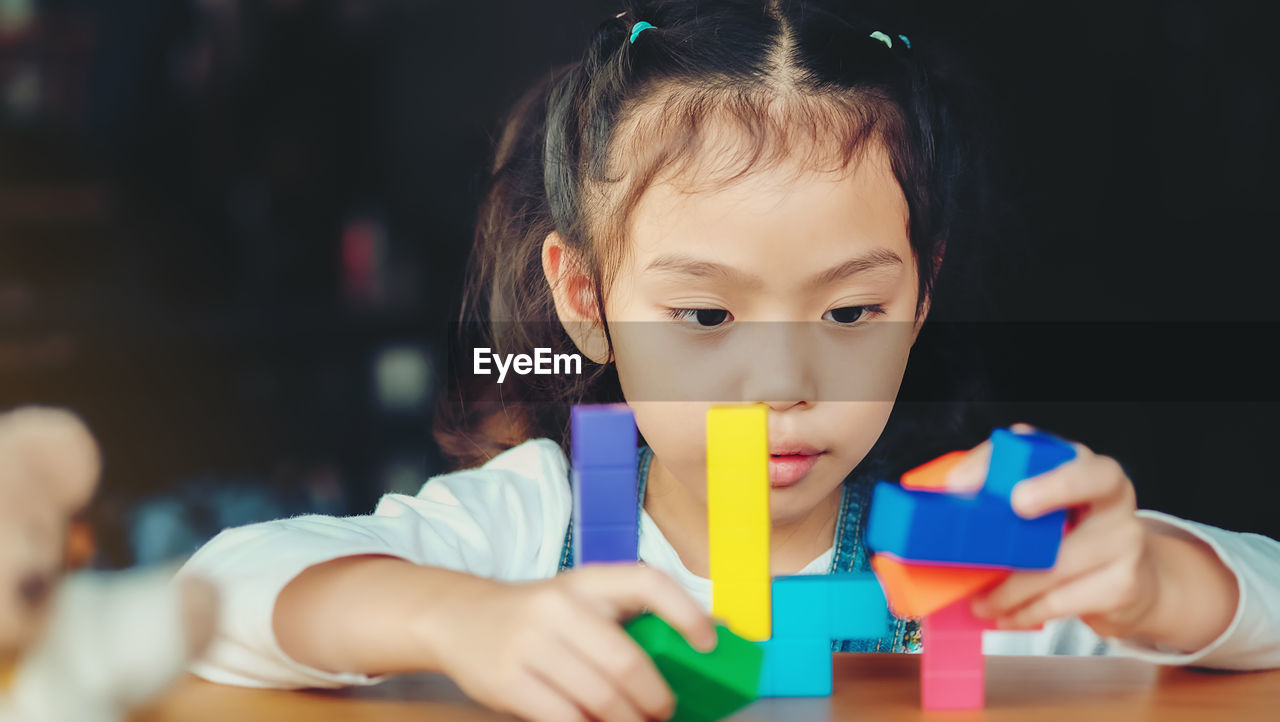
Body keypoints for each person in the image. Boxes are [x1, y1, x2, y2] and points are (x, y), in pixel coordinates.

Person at [176, 2, 1280, 721]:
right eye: (704, 316)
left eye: (851, 309)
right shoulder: (526, 531)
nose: (782, 382)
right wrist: (457, 619)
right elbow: (211, 594)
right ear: (586, 301)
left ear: (920, 291)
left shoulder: (978, 567)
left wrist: (1149, 578)